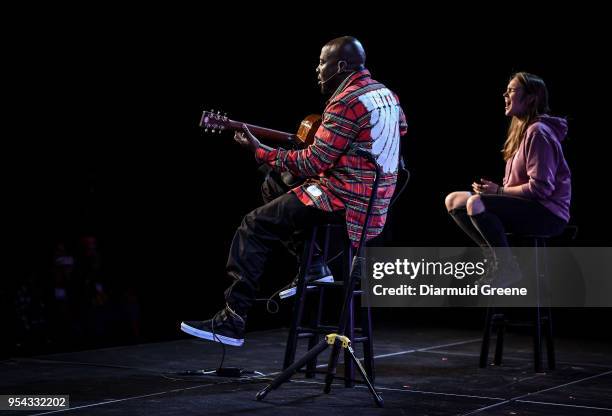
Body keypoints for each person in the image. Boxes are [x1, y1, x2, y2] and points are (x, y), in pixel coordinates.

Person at [181, 36, 408, 346]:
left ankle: (232, 321)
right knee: (274, 182)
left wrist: (260, 151)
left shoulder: (346, 101)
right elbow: (398, 132)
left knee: (253, 225)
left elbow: (313, 163)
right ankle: (313, 266)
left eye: (322, 63)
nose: (317, 69)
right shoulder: (386, 94)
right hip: (376, 201)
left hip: (344, 200)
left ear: (340, 66)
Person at [444, 72, 571, 286]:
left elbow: (541, 189)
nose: (505, 94)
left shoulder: (538, 132)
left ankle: (506, 267)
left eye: (511, 90)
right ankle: (497, 260)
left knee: (477, 203)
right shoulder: (523, 132)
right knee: (454, 200)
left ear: (531, 98)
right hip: (527, 205)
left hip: (548, 214)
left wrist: (498, 192)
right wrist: (495, 191)